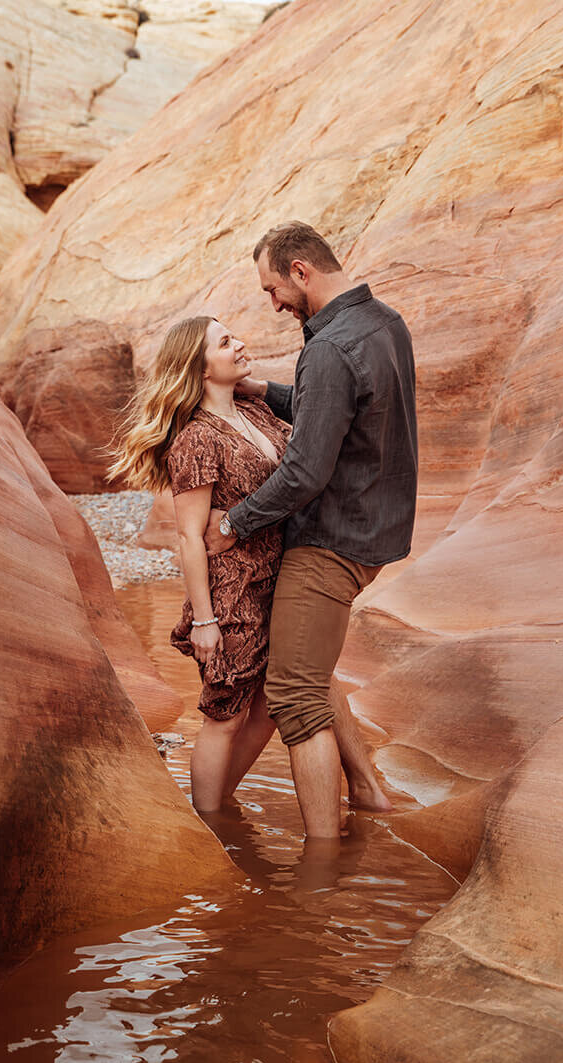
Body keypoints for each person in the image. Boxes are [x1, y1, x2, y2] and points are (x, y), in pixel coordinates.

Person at [108, 315, 390, 816]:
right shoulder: (196, 439)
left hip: (280, 578)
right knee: (226, 714)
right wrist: (204, 620)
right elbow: (190, 535)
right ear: (199, 368)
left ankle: (220, 811)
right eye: (225, 342)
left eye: (233, 335)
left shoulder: (253, 409)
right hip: (233, 592)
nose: (240, 344)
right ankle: (210, 826)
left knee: (274, 703)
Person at [204, 221, 417, 839]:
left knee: (293, 694)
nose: (272, 304)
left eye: (273, 289)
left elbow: (303, 473)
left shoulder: (327, 348)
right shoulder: (385, 323)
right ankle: (370, 792)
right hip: (375, 527)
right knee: (311, 665)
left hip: (331, 540)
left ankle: (322, 866)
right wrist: (266, 391)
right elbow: (341, 409)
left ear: (301, 272)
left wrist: (234, 524)